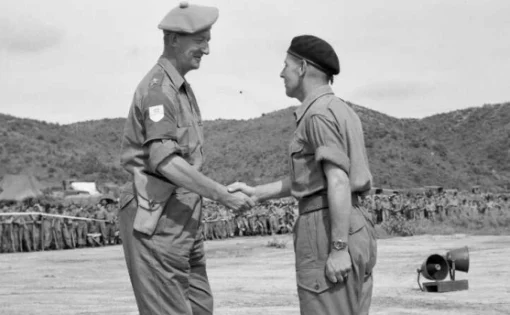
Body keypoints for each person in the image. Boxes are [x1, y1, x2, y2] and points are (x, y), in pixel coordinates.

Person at [118, 3, 254, 314]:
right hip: (158, 217)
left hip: (182, 217)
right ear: (174, 39)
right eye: (200, 40)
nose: (206, 49)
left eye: (208, 40)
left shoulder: (181, 89)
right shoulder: (159, 91)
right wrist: (222, 195)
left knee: (200, 307)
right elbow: (165, 161)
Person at [229, 35, 377, 315]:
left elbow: (337, 180)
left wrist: (337, 248)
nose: (281, 72)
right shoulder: (342, 111)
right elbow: (315, 177)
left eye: (286, 65)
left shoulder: (317, 115)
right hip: (353, 221)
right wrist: (258, 193)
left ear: (302, 67)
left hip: (327, 224)